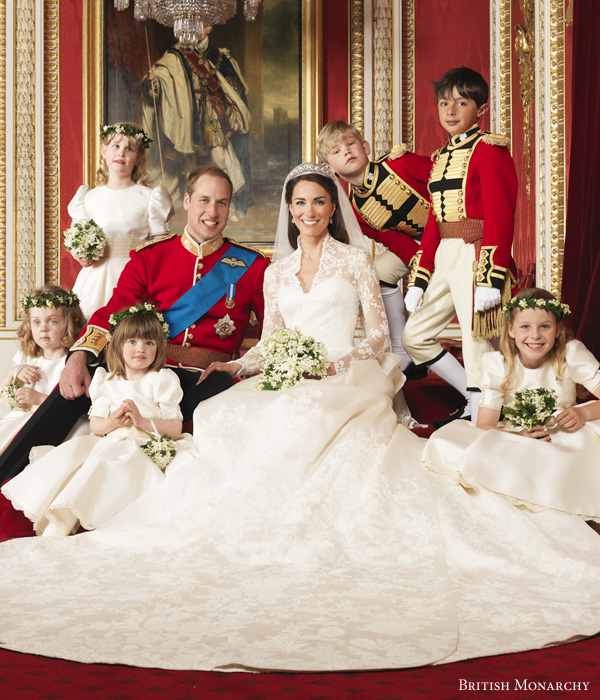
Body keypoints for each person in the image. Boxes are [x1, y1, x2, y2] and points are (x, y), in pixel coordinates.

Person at [2, 165, 600, 673]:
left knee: (302, 416)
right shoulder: (262, 268)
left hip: (347, 374)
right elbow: (270, 339)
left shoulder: (333, 262)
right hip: (248, 369)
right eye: (300, 203)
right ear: (286, 210)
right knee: (227, 418)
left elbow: (375, 336)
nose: (310, 211)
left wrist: (323, 362)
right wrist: (240, 364)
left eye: (319, 202)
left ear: (329, 208)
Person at [0, 165, 269, 484]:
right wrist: (77, 357)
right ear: (186, 201)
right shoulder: (150, 258)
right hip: (143, 368)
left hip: (205, 379)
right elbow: (113, 312)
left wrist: (242, 367)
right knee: (72, 389)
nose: (212, 211)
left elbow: (272, 332)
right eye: (204, 200)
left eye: (222, 202)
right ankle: (6, 479)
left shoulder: (252, 266)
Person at [2, 305, 198, 536]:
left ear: (158, 347)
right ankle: (60, 527)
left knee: (114, 464)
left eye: (149, 343)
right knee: (79, 463)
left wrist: (142, 421)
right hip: (111, 440)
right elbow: (96, 425)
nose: (140, 349)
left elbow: (175, 427)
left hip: (147, 444)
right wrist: (113, 422)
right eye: (132, 342)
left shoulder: (162, 379)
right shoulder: (107, 380)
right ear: (118, 346)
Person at [401, 67, 519, 426]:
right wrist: (420, 278)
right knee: (414, 335)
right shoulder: (440, 157)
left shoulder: (489, 149)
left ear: (480, 109)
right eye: (443, 103)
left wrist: (490, 276)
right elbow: (434, 222)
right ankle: (472, 396)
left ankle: (483, 410)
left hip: (476, 252)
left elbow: (502, 215)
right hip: (445, 254)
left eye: (461, 102)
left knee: (476, 336)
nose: (450, 111)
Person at [423, 288, 600, 519]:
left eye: (544, 326)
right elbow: (485, 425)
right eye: (525, 326)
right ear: (511, 330)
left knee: (572, 457)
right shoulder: (497, 364)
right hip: (519, 433)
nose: (535, 335)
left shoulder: (570, 354)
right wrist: (519, 437)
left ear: (557, 330)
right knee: (448, 442)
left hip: (564, 433)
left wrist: (585, 412)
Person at [317, 120, 432, 369]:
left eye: (350, 144)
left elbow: (446, 188)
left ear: (365, 146)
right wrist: (423, 263)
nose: (346, 151)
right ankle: (402, 353)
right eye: (336, 151)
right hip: (418, 246)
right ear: (328, 168)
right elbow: (394, 240)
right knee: (375, 275)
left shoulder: (399, 164)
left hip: (453, 233)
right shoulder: (355, 210)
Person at [67, 123, 175, 319]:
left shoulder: (150, 197)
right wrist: (81, 255)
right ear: (104, 151)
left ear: (138, 158)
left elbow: (161, 248)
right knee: (90, 325)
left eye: (129, 149)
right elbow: (80, 238)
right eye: (116, 146)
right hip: (95, 277)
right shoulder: (88, 198)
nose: (121, 153)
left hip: (133, 276)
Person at [141, 28, 252, 215]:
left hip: (212, 114)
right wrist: (153, 83)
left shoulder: (220, 57)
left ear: (210, 27)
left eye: (204, 24)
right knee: (189, 164)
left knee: (220, 159)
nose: (199, 29)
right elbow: (161, 75)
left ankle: (225, 201)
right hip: (188, 117)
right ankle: (193, 206)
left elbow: (234, 88)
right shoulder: (175, 56)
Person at [0, 286, 85, 455]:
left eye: (52, 321)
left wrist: (39, 399)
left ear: (68, 323)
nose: (43, 328)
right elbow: (5, 395)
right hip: (24, 418)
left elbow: (76, 407)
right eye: (36, 322)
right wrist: (13, 372)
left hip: (57, 424)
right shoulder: (27, 358)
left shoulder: (72, 364)